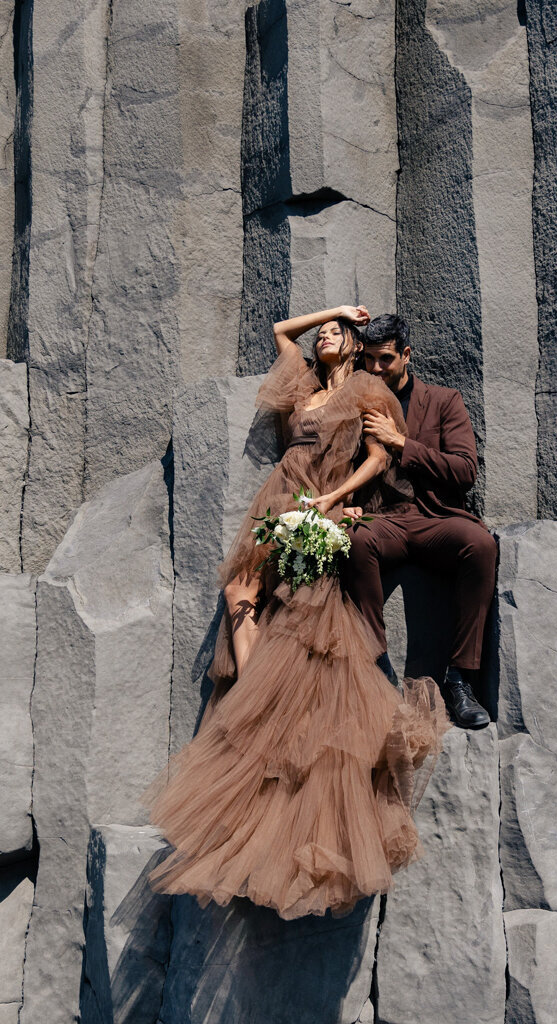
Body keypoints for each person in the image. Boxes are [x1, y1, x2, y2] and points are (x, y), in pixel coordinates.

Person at [142, 305, 449, 921]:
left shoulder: (367, 388)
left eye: (337, 331)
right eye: (325, 334)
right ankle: (258, 699)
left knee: (300, 615)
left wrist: (337, 499)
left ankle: (261, 714)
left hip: (324, 503)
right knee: (239, 595)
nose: (326, 336)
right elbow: (282, 333)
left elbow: (379, 458)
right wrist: (334, 310)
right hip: (281, 499)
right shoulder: (303, 387)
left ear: (358, 345)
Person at [343, 313, 497, 729]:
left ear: (406, 355)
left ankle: (460, 679)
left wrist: (401, 443)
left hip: (434, 517)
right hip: (382, 519)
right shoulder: (356, 403)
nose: (375, 369)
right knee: (354, 540)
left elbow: (465, 471)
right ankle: (376, 665)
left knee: (480, 545)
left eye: (385, 360)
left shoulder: (444, 401)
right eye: (368, 360)